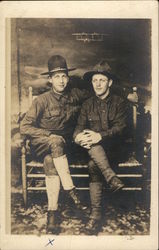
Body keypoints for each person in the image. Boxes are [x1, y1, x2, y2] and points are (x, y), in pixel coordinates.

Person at [20, 55, 89, 233]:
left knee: (51, 160)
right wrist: (48, 134)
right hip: (42, 143)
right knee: (55, 141)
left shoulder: (75, 95)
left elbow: (100, 89)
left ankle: (52, 212)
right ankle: (72, 193)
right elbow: (25, 127)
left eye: (64, 76)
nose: (61, 80)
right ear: (50, 79)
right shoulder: (41, 100)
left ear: (68, 78)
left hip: (65, 149)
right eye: (56, 76)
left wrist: (126, 92)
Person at [73, 62, 130, 235]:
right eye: (95, 80)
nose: (97, 84)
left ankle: (95, 215)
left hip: (115, 149)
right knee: (92, 160)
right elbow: (78, 127)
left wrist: (100, 136)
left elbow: (122, 128)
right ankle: (112, 180)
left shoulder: (120, 102)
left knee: (93, 160)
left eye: (102, 80)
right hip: (93, 151)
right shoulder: (87, 104)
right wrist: (78, 138)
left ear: (109, 83)